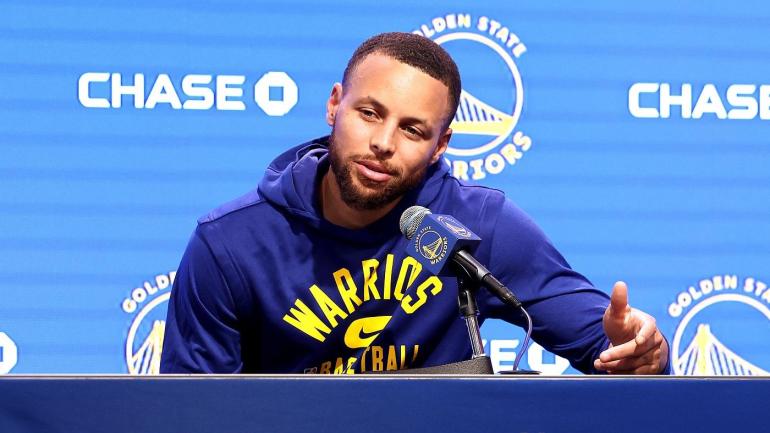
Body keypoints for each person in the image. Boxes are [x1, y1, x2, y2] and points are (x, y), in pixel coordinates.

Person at [160, 32, 669, 375]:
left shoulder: (476, 225)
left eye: (412, 129)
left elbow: (618, 351)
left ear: (440, 145)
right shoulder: (230, 244)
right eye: (369, 113)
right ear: (334, 105)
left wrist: (644, 350)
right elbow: (189, 414)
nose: (383, 143)